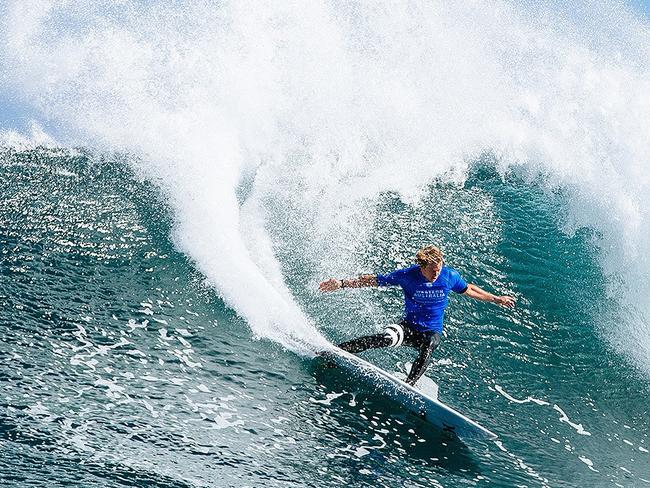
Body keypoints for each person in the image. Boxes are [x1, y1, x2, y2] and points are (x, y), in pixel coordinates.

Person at [319, 245, 515, 386]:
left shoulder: (449, 276)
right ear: (422, 267)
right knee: (385, 339)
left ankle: (409, 385)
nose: (436, 275)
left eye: (438, 270)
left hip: (431, 330)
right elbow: (375, 280)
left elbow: (469, 289)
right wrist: (342, 283)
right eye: (432, 271)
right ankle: (337, 351)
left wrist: (496, 299)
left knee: (429, 346)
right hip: (408, 327)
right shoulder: (407, 275)